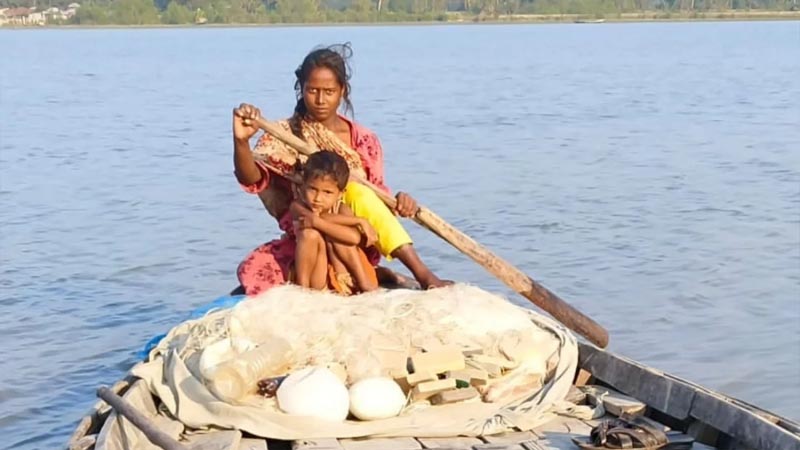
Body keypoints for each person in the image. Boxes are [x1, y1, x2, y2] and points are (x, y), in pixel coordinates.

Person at [232, 43, 448, 296]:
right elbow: (253, 179)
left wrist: (401, 202)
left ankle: (422, 274)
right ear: (301, 89)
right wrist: (241, 141)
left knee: (358, 193)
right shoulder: (282, 135)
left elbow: (377, 199)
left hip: (350, 237)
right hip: (306, 236)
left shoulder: (364, 140)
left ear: (342, 91)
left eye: (329, 92)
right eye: (312, 90)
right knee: (254, 270)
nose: (320, 100)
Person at [290, 151, 378, 295]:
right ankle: (302, 289)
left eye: (327, 192)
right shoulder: (297, 207)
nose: (318, 198)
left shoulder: (341, 208)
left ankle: (363, 282)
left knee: (337, 233)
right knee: (310, 234)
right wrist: (359, 221)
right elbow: (313, 218)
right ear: (303, 186)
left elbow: (353, 238)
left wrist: (316, 221)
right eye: (312, 189)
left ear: (340, 194)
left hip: (344, 274)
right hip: (318, 276)